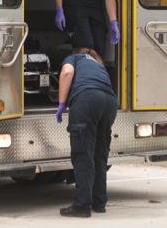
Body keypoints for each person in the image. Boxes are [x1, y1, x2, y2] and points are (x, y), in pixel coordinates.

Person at [55, 47, 118, 217]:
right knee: (100, 154)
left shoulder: (74, 58)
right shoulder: (98, 65)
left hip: (87, 99)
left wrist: (61, 103)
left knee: (83, 154)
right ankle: (99, 202)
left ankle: (81, 206)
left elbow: (67, 73)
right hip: (110, 102)